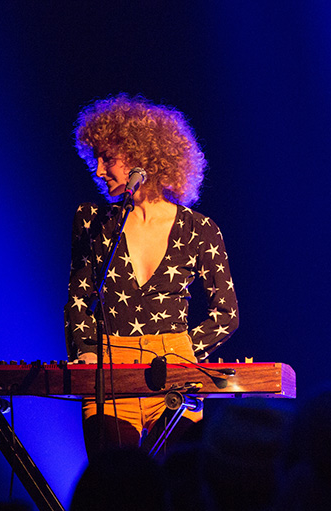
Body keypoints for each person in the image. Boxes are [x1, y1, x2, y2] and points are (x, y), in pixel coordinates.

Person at [64, 94, 238, 457]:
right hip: (108, 370)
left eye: (107, 158)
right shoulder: (92, 219)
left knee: (175, 494)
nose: (98, 170)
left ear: (142, 156)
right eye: (94, 158)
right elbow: (79, 300)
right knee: (114, 491)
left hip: (177, 369)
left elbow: (227, 314)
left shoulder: (199, 228)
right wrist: (85, 353)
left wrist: (185, 352)